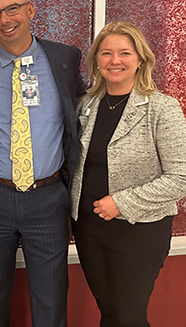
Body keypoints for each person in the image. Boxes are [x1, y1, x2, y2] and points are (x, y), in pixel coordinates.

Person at [0, 0, 84, 327]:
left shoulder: (64, 58)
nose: (5, 19)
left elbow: (83, 115)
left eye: (13, 8)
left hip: (47, 198)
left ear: (30, 11)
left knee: (50, 301)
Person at [70, 21, 186, 327]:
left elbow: (180, 178)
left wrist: (122, 202)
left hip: (139, 231)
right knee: (109, 312)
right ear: (97, 60)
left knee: (127, 315)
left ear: (140, 60)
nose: (115, 60)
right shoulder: (86, 106)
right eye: (106, 53)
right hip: (89, 229)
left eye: (124, 53)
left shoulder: (163, 109)